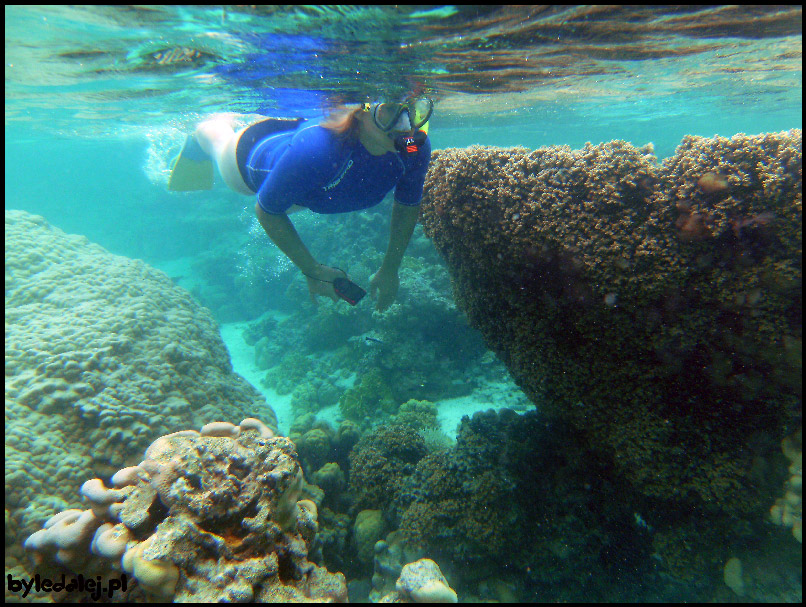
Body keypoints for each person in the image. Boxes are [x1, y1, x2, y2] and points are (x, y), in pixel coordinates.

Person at [168, 97, 433, 312]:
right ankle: (202, 135)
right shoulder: (319, 150)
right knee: (220, 141)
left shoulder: (412, 147)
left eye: (412, 110)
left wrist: (391, 268)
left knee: (301, 179)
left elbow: (408, 204)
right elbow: (267, 210)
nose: (405, 125)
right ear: (361, 111)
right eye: (388, 111)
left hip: (311, 185)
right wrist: (312, 270)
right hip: (251, 160)